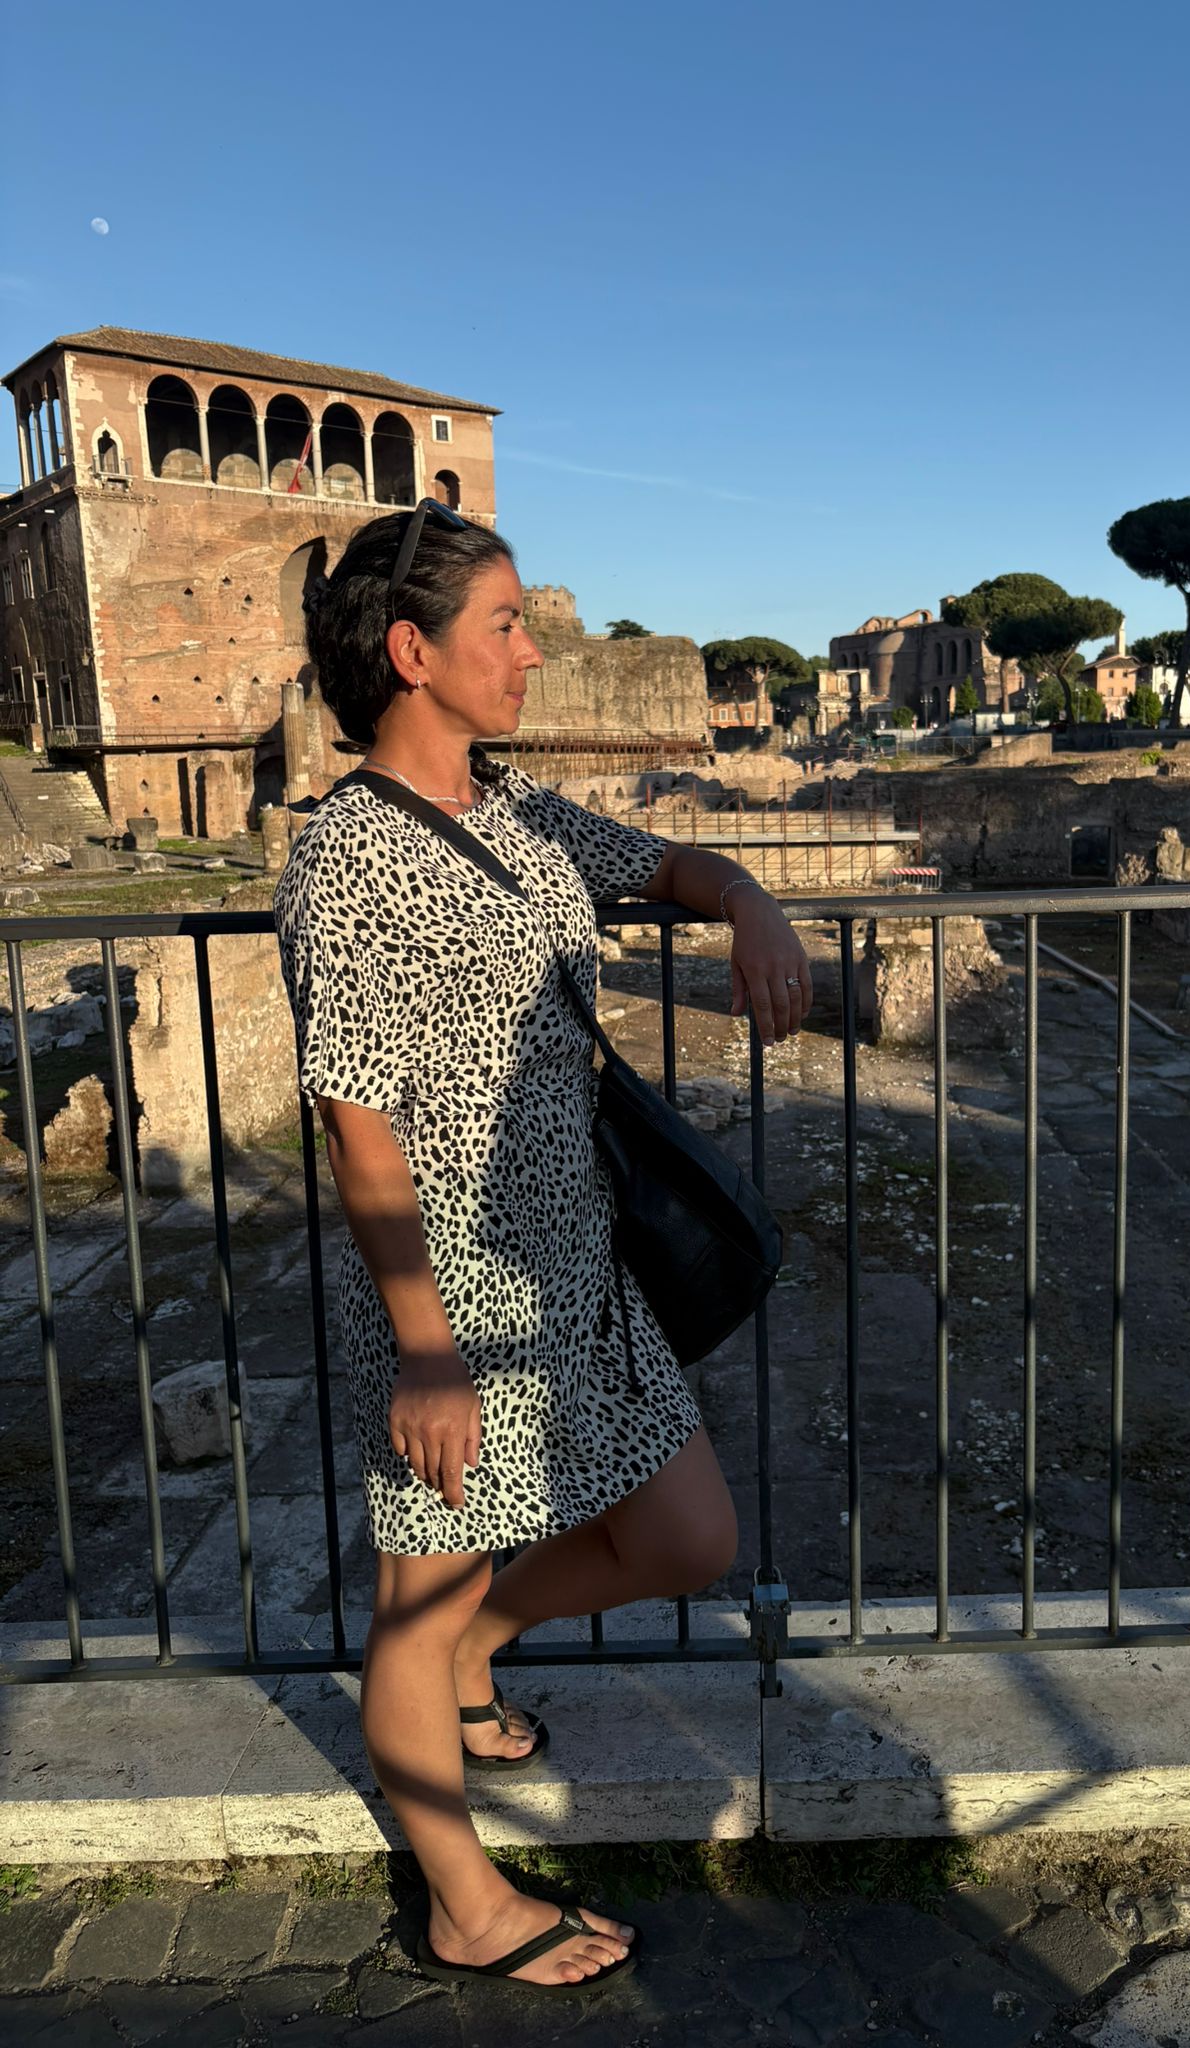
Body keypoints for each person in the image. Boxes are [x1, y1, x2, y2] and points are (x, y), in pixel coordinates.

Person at [274, 501, 811, 1997]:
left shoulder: (508, 813)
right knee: (410, 1601)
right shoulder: (352, 863)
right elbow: (358, 1121)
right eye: (503, 627)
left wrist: (752, 899)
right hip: (445, 1288)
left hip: (578, 1260)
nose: (531, 654)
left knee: (688, 1537)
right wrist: (428, 1348)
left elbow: (667, 867)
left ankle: (478, 1638)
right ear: (410, 651)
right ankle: (460, 1898)